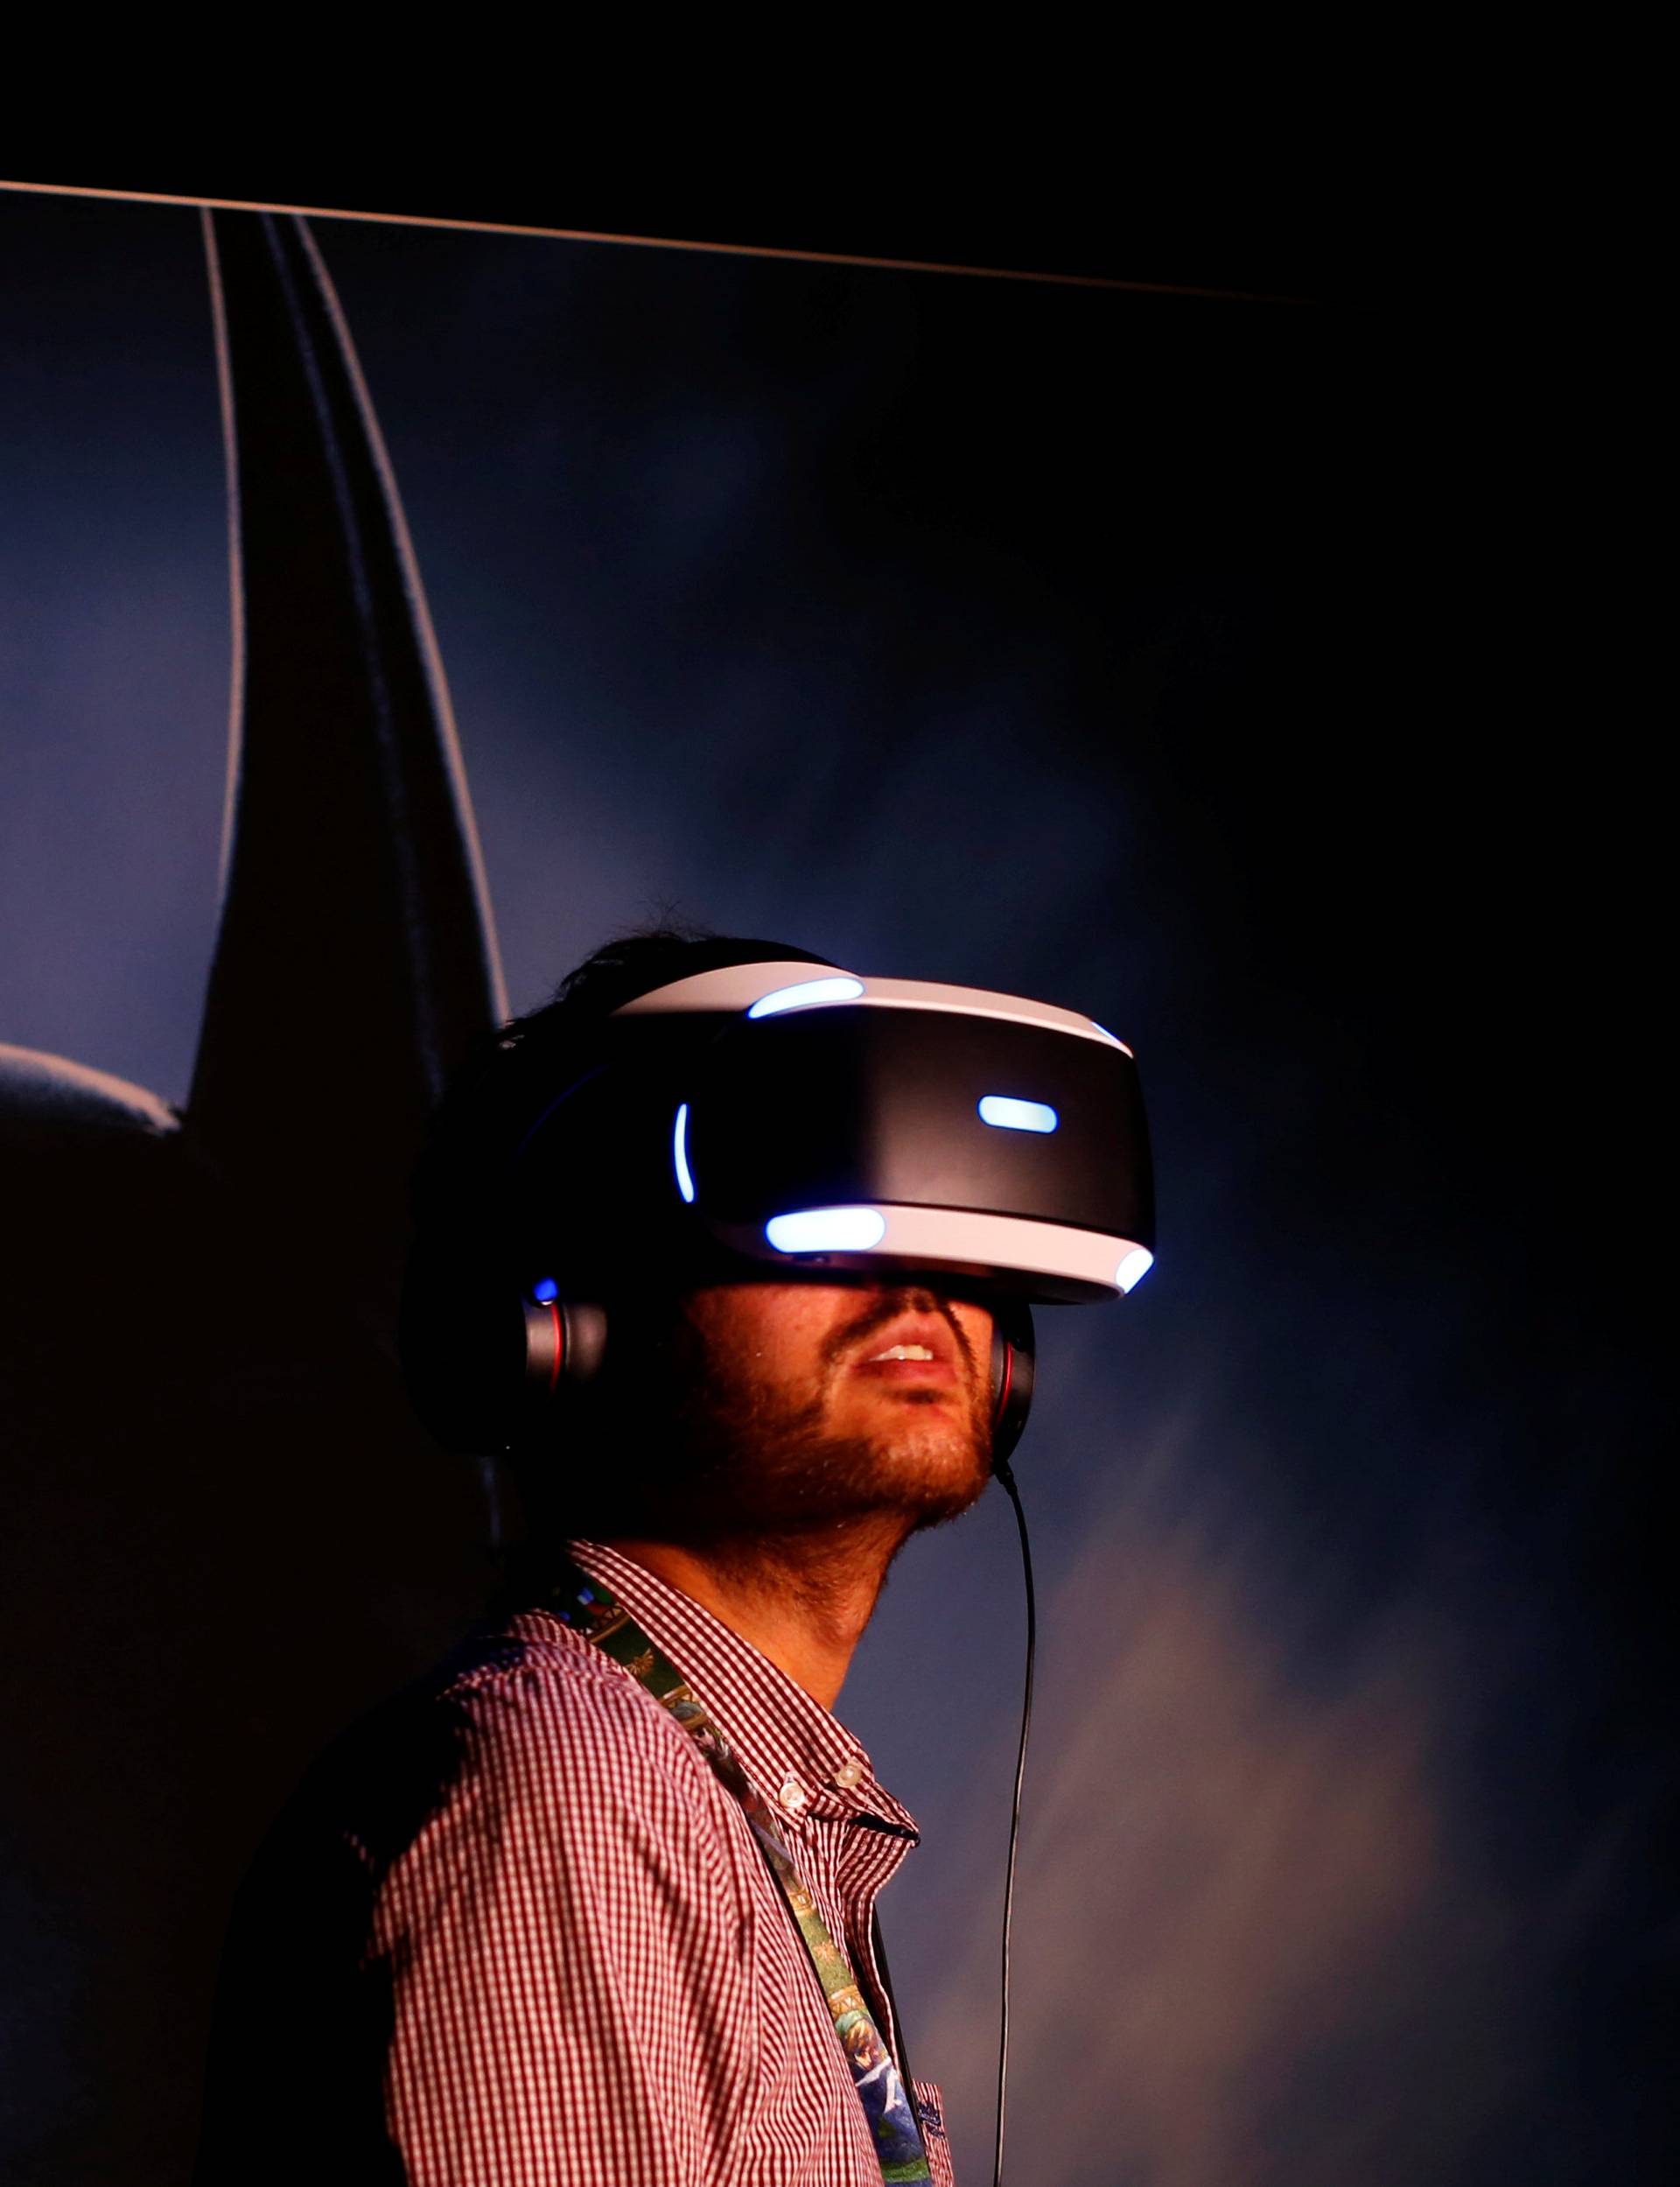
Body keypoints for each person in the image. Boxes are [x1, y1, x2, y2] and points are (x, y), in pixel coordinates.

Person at [196, 929, 989, 2186]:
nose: (912, 1267)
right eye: (793, 1173)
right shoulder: (567, 1803)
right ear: (564, 1330)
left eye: (930, 1189)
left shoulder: (709, 1818)